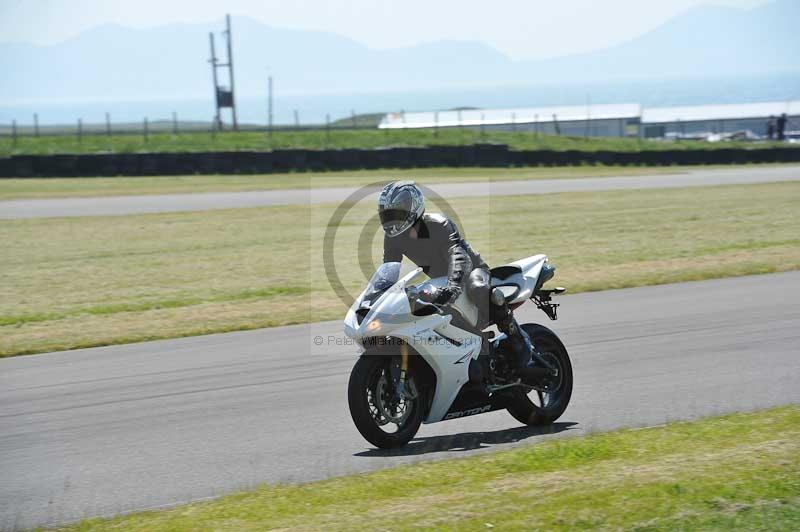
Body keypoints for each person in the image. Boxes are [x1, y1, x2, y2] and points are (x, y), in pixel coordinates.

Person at [378, 180, 533, 367]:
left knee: (478, 288)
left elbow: (459, 257)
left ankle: (516, 336)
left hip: (471, 271)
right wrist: (378, 297)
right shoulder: (393, 238)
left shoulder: (439, 225)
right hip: (438, 281)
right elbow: (388, 270)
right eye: (387, 214)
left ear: (413, 208)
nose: (391, 219)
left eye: (396, 213)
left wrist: (453, 286)